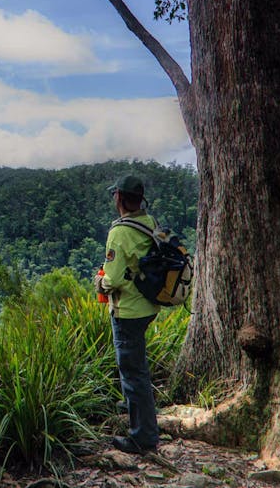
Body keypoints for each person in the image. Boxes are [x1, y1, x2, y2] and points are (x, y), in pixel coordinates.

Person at [95, 175, 160, 454]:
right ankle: (133, 406)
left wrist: (99, 283)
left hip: (128, 310)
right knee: (136, 366)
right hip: (147, 305)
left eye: (115, 196)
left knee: (133, 372)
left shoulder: (119, 232)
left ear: (119, 198)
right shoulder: (149, 222)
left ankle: (142, 437)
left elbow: (114, 278)